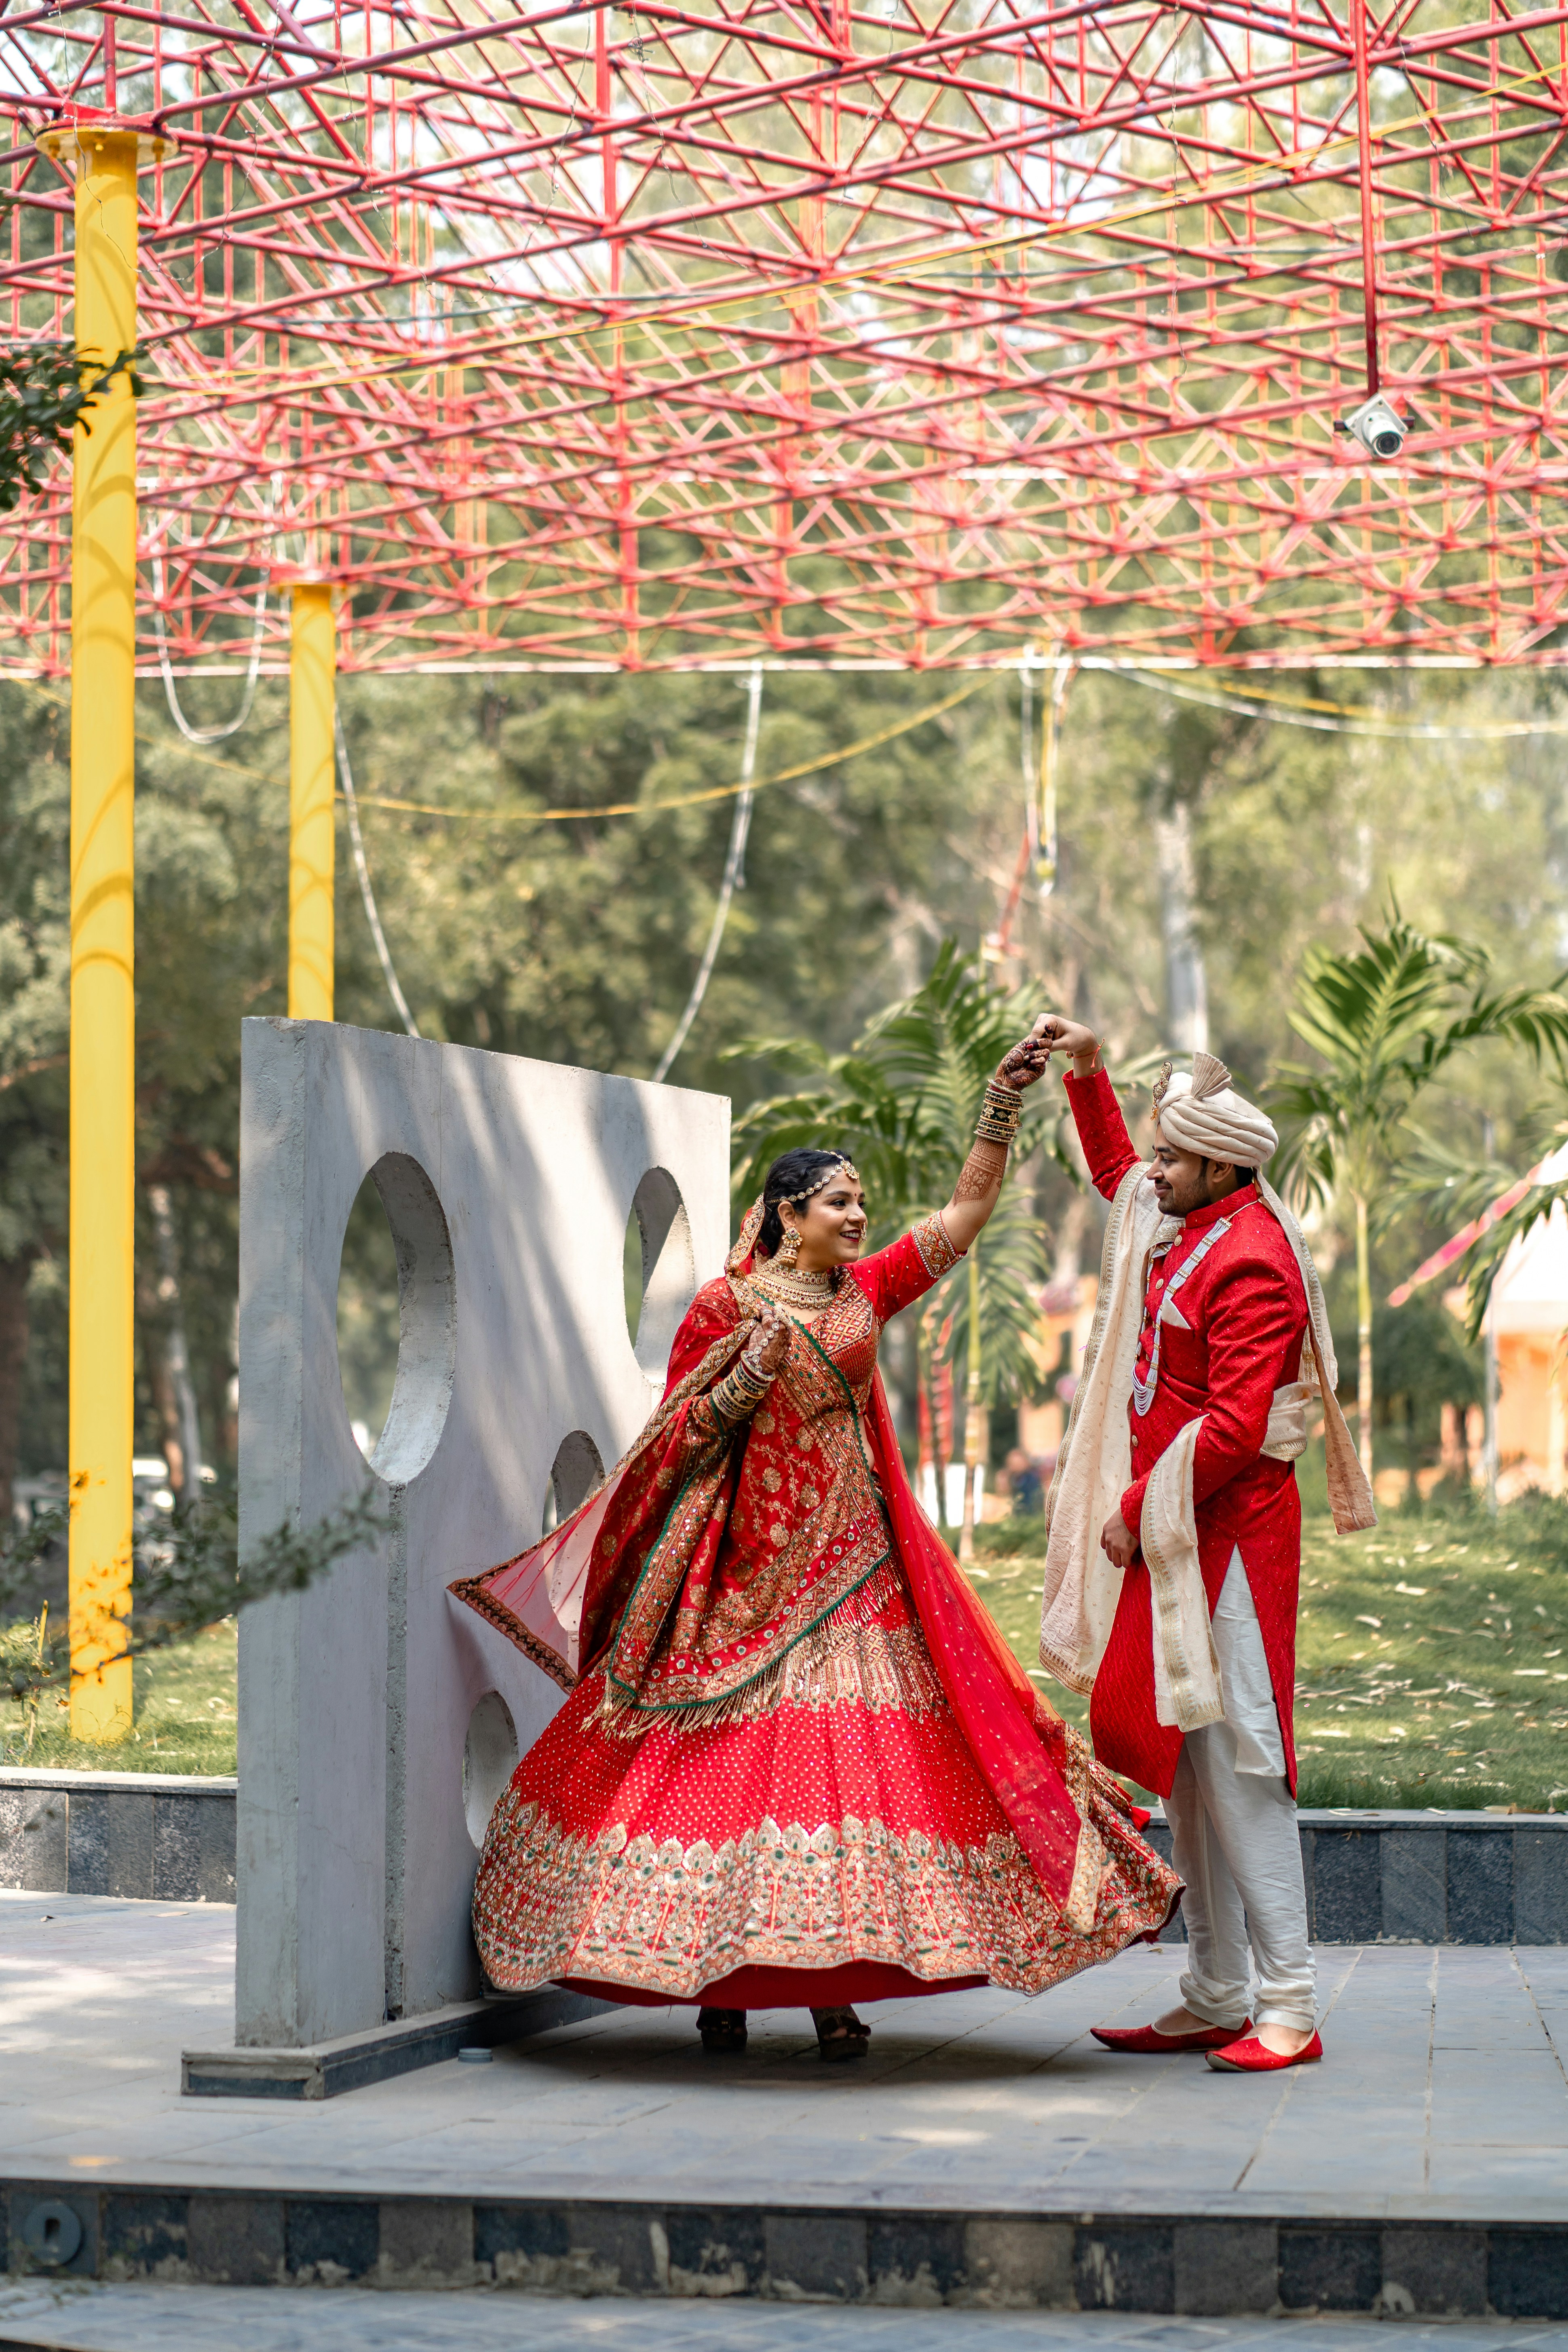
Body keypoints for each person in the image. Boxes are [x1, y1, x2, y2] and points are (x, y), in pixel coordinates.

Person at [450, 1026, 1180, 2061]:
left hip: (861, 1564)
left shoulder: (863, 1292)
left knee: (859, 1771)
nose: (856, 1214)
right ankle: (723, 1985)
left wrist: (999, 1104)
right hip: (747, 1577)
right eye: (836, 1201)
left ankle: (836, 1991)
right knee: (735, 1772)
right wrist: (737, 1384)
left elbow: (963, 1216)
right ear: (787, 1218)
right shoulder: (724, 1306)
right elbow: (673, 1438)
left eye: (858, 1202)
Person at [1033, 1023, 1374, 2075]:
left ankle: (1291, 2005)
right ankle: (1217, 1991)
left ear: (1222, 1164)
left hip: (1226, 1544)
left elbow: (1235, 1427)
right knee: (1186, 1772)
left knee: (1243, 1767)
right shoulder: (1182, 1219)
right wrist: (1086, 1069)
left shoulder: (1255, 1258)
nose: (1155, 1172)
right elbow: (1114, 1171)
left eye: (1172, 1159)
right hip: (1176, 1541)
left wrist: (1134, 1507)